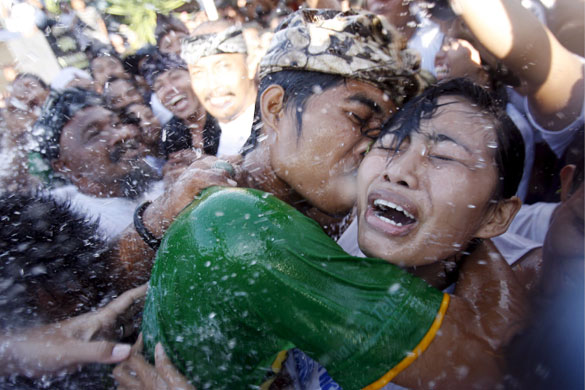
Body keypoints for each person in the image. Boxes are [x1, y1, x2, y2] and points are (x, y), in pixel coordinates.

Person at [116, 78, 527, 389]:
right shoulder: (328, 237)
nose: (397, 170)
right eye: (387, 144)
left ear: (498, 215)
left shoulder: (498, 326)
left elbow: (490, 357)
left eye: (442, 156)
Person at [114, 9, 428, 288]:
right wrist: (158, 219)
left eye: (386, 132)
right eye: (358, 118)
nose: (375, 148)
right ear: (275, 107)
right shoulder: (226, 207)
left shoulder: (374, 214)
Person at [32, 88, 163, 239]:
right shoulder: (76, 226)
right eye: (94, 134)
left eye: (116, 124)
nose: (123, 134)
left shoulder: (159, 183)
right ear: (64, 167)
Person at [181, 20, 258, 157]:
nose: (212, 85)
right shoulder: (207, 139)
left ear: (250, 65)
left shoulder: (282, 126)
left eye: (222, 67)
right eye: (198, 73)